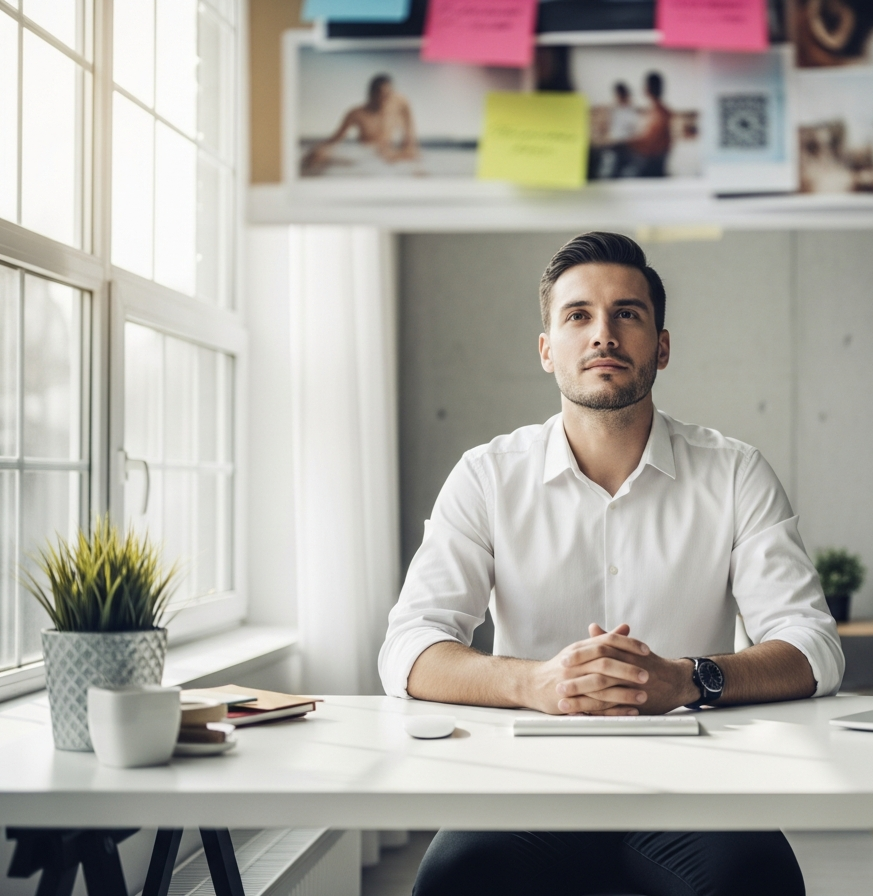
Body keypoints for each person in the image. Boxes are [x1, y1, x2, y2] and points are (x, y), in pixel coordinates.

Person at [380, 232, 843, 896]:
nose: (604, 334)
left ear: (662, 344)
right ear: (547, 350)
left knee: (759, 883)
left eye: (627, 313)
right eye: (578, 316)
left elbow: (814, 647)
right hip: (526, 783)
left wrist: (688, 680)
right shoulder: (486, 477)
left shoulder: (735, 473)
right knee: (452, 883)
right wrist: (539, 684)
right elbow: (410, 649)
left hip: (692, 782)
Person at [301, 73, 418, 175]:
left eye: (388, 95)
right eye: (382, 95)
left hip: (387, 153)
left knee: (413, 161)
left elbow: (409, 129)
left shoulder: (399, 104)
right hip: (365, 153)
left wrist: (409, 146)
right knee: (318, 155)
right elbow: (336, 139)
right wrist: (318, 149)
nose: (385, 99)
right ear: (372, 94)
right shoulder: (357, 113)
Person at [628, 72, 675, 177]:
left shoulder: (659, 113)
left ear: (648, 88)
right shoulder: (657, 111)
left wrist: (626, 142)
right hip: (652, 160)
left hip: (651, 164)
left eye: (645, 85)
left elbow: (649, 144)